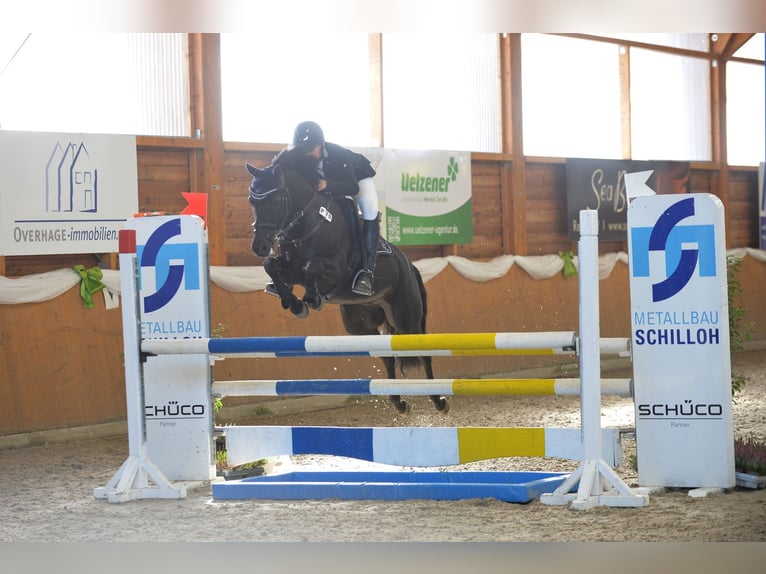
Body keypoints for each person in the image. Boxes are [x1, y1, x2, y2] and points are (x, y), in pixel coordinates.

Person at [288, 120, 381, 296]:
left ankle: (367, 272)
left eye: (310, 150)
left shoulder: (338, 154)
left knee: (370, 209)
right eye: (302, 151)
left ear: (321, 144)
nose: (306, 154)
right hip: (329, 185)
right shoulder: (296, 157)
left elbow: (352, 188)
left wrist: (327, 184)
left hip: (356, 178)